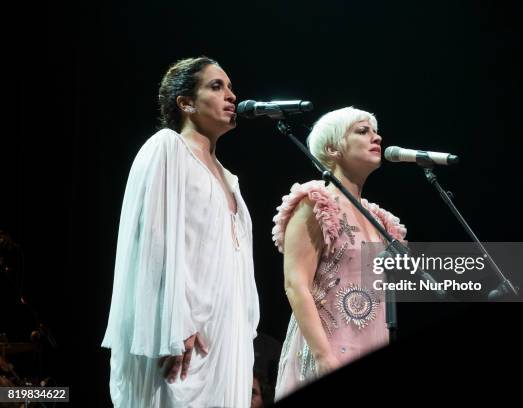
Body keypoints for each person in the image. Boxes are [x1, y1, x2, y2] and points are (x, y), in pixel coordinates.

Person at [102, 56, 260, 407]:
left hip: (224, 339)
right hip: (178, 335)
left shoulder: (229, 178)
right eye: (216, 86)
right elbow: (150, 242)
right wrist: (173, 324)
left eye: (231, 87)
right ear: (185, 103)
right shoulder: (167, 148)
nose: (231, 95)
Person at [272, 107, 406, 399]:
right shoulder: (316, 203)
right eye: (362, 131)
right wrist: (323, 357)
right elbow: (295, 284)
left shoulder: (379, 220)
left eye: (375, 131)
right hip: (328, 349)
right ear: (332, 148)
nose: (377, 137)